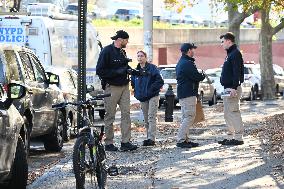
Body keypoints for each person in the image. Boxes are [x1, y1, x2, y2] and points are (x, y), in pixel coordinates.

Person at [96, 30, 137, 151]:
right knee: (110, 116)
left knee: (126, 114)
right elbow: (100, 70)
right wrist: (116, 73)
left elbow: (124, 67)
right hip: (112, 86)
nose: (127, 42)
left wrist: (131, 71)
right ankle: (109, 143)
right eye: (126, 40)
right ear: (120, 39)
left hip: (124, 86)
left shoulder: (122, 52)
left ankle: (125, 142)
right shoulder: (106, 51)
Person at [131, 50, 164, 146]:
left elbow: (160, 81)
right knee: (146, 119)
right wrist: (137, 92)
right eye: (138, 56)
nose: (140, 57)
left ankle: (151, 138)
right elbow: (133, 83)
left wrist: (151, 89)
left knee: (151, 116)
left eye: (142, 56)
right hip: (142, 97)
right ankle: (148, 137)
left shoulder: (152, 68)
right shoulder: (136, 71)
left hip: (153, 95)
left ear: (145, 57)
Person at [175, 43, 205, 148]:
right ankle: (181, 140)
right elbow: (196, 76)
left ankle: (185, 140)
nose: (194, 51)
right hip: (188, 93)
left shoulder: (182, 62)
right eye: (193, 49)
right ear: (188, 51)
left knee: (186, 117)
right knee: (189, 117)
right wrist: (202, 75)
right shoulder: (187, 63)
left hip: (184, 93)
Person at [219, 32, 244, 145]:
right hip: (227, 88)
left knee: (233, 112)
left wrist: (234, 87)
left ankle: (238, 138)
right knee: (227, 113)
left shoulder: (235, 53)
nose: (222, 44)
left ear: (229, 41)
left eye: (223, 41)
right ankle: (230, 137)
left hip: (233, 88)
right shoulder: (230, 54)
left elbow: (237, 72)